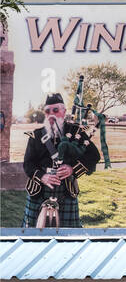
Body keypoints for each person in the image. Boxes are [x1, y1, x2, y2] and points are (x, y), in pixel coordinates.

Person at [22, 93, 100, 228]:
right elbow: (28, 164)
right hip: (38, 190)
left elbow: (94, 155)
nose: (51, 114)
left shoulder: (75, 132)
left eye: (55, 110)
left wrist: (72, 169)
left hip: (66, 190)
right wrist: (42, 176)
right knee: (32, 235)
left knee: (68, 235)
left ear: (63, 112)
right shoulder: (36, 135)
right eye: (48, 111)